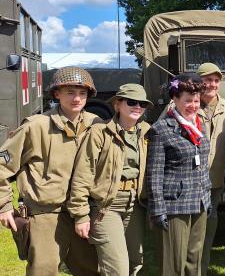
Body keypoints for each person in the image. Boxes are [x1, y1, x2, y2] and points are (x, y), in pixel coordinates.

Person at [0, 66, 101, 276]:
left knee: (94, 270)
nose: (77, 98)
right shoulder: (35, 127)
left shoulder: (97, 125)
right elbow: (2, 165)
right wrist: (4, 206)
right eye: (70, 92)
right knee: (43, 271)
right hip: (45, 215)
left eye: (82, 93)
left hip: (85, 212)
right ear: (56, 94)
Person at [68, 84, 153, 276]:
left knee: (135, 262)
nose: (137, 106)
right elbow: (83, 174)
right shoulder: (100, 133)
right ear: (117, 104)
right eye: (131, 102)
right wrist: (81, 214)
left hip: (136, 204)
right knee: (117, 269)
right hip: (106, 207)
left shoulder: (147, 132)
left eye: (142, 104)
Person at [146, 74, 212, 276]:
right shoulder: (161, 129)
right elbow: (154, 174)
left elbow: (202, 166)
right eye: (187, 101)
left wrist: (207, 199)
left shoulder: (200, 126)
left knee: (194, 261)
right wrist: (158, 209)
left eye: (196, 101)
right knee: (173, 264)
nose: (193, 105)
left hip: (199, 201)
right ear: (174, 100)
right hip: (175, 205)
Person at [196, 62, 225, 276]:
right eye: (207, 80)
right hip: (189, 180)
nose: (211, 84)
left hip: (215, 179)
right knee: (190, 229)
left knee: (209, 227)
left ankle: (201, 269)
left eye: (215, 80)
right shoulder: (184, 103)